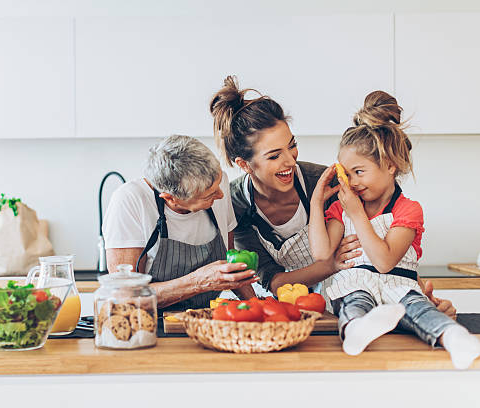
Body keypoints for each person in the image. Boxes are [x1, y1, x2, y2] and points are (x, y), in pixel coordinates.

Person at [209, 75, 456, 317]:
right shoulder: (236, 204)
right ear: (244, 165)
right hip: (287, 310)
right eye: (274, 156)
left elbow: (384, 235)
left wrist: (421, 296)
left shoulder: (324, 182)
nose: (289, 161)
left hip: (343, 301)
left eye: (291, 145)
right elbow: (272, 281)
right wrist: (329, 265)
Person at [308, 90, 479, 368]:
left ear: (389, 165)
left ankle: (455, 339)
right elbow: (321, 252)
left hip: (399, 285)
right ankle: (356, 331)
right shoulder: (342, 207)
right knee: (354, 302)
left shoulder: (408, 209)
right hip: (358, 283)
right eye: (346, 174)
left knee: (420, 309)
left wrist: (357, 214)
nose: (351, 182)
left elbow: (385, 261)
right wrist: (318, 201)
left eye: (359, 172)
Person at [103, 134, 257, 311]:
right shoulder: (131, 200)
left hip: (204, 319)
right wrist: (198, 282)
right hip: (151, 324)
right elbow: (126, 296)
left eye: (219, 183)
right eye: (209, 195)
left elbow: (230, 267)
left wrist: (257, 306)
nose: (220, 195)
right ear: (171, 199)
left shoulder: (217, 186)